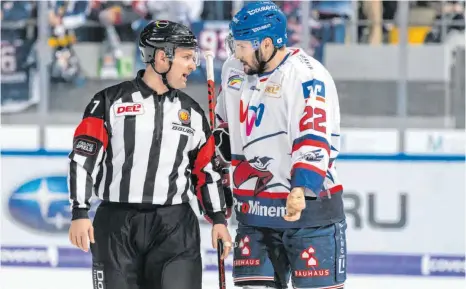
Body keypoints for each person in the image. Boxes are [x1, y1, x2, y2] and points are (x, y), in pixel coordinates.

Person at [67, 20, 232, 289]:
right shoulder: (108, 102)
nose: (193, 65)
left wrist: (218, 219)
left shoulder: (194, 114)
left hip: (175, 227)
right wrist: (80, 212)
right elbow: (83, 161)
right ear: (160, 57)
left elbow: (207, 172)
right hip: (116, 225)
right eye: (186, 57)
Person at [214, 2, 347, 289]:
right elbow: (223, 128)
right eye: (234, 44)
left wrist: (301, 188)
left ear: (266, 43)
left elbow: (314, 135)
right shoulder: (233, 69)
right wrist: (222, 176)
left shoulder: (307, 76)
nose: (236, 53)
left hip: (308, 214)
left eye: (242, 46)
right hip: (254, 212)